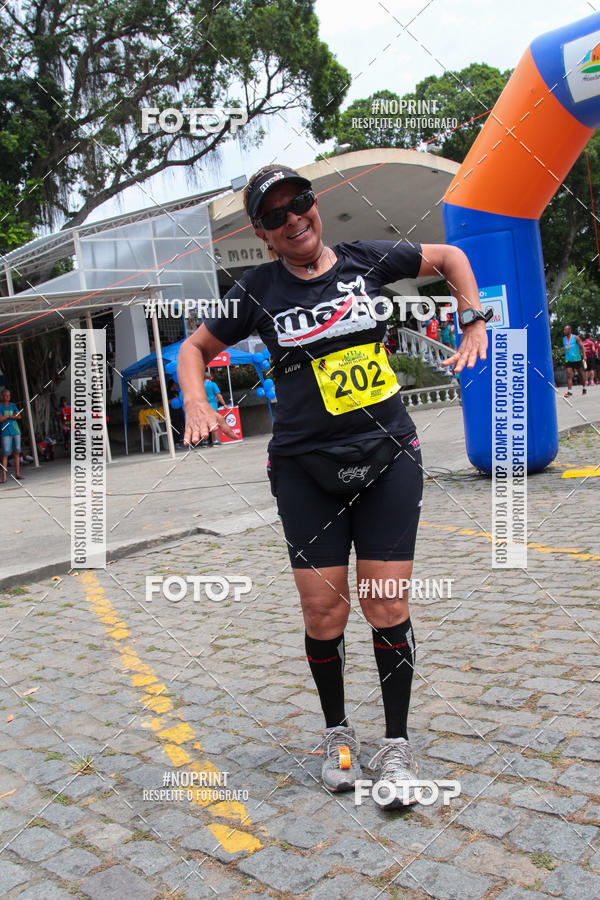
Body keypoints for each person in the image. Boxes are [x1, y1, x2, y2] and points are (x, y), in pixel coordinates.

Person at [177, 164, 488, 809]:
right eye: (275, 216)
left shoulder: (365, 260)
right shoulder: (256, 290)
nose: (294, 219)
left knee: (386, 605)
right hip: (305, 470)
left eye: (302, 204)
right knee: (324, 611)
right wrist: (195, 402)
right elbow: (192, 349)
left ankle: (396, 746)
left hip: (387, 457)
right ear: (263, 235)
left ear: (317, 206)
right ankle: (338, 734)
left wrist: (473, 320)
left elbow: (452, 256)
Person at [0, 388, 23, 482]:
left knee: (17, 452)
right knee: (5, 453)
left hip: (15, 431)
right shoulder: (0, 406)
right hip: (5, 432)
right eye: (6, 395)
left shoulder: (13, 405)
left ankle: (17, 473)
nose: (7, 397)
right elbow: (1, 419)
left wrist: (8, 417)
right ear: (2, 396)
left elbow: (19, 416)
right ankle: (4, 477)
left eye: (9, 395)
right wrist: (12, 416)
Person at [202, 371, 225, 446]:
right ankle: (215, 440)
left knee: (205, 424)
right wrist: (224, 404)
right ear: (210, 377)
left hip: (203, 406)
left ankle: (205, 441)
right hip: (212, 406)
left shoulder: (200, 385)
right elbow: (218, 395)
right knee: (213, 423)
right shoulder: (213, 384)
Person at [563, 325, 586, 397]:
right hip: (568, 360)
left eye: (565, 330)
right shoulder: (564, 339)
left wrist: (584, 355)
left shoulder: (576, 337)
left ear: (570, 330)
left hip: (577, 359)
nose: (564, 331)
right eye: (564, 330)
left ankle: (584, 387)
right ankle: (569, 391)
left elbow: (582, 346)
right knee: (569, 375)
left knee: (580, 375)